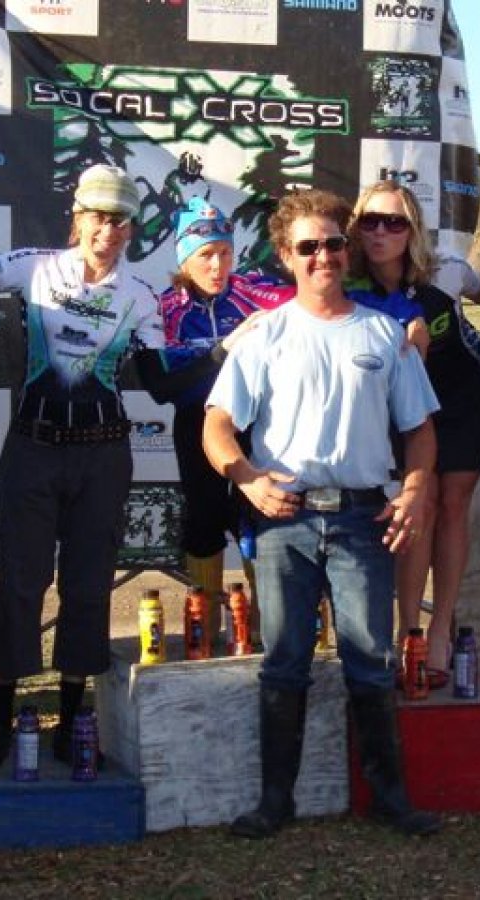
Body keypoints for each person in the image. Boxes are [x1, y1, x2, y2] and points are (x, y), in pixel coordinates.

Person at [204, 188, 443, 838]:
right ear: (286, 256)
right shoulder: (265, 336)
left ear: (348, 247)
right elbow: (218, 428)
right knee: (284, 660)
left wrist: (417, 491)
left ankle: (390, 800)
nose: (323, 256)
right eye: (307, 246)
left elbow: (420, 430)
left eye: (334, 243)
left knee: (370, 660)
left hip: (365, 519)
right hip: (285, 520)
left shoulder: (382, 333)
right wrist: (249, 481)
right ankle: (274, 803)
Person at [0, 164, 164, 768]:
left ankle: (72, 714)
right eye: (97, 217)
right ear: (77, 218)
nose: (106, 231)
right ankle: (2, 714)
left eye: (119, 221)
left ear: (131, 230)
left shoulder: (140, 295)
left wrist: (226, 352)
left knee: (87, 586)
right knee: (19, 583)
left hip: (103, 454)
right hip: (32, 447)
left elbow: (162, 380)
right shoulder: (33, 266)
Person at [346, 180, 480, 685]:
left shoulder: (447, 270)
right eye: (371, 221)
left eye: (394, 222)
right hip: (407, 410)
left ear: (413, 230)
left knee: (452, 507)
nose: (382, 231)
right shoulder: (350, 283)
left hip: (464, 402)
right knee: (420, 507)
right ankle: (407, 632)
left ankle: (439, 634)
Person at [137, 197, 290, 638]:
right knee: (203, 518)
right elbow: (160, 388)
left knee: (253, 517)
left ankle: (262, 626)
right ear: (184, 258)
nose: (217, 264)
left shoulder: (255, 291)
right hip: (196, 422)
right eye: (205, 254)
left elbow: (321, 295)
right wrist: (224, 350)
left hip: (254, 424)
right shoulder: (163, 308)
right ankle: (201, 628)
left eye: (224, 252)